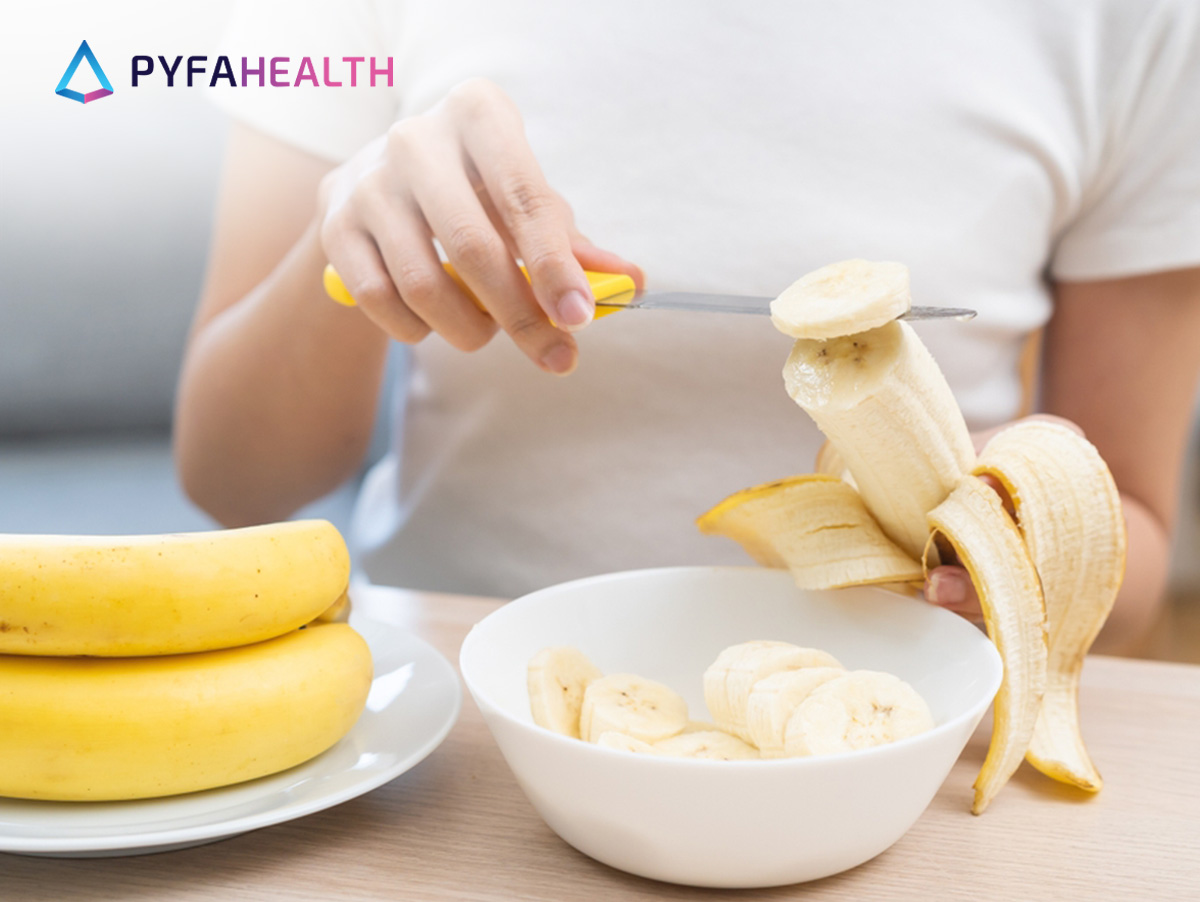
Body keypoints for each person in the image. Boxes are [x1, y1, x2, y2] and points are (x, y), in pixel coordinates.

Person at [175, 0, 1200, 655]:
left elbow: (1139, 538)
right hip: (448, 722)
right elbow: (231, 475)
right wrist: (343, 251)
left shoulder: (1141, 24)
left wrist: (1032, 539)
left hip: (897, 730)